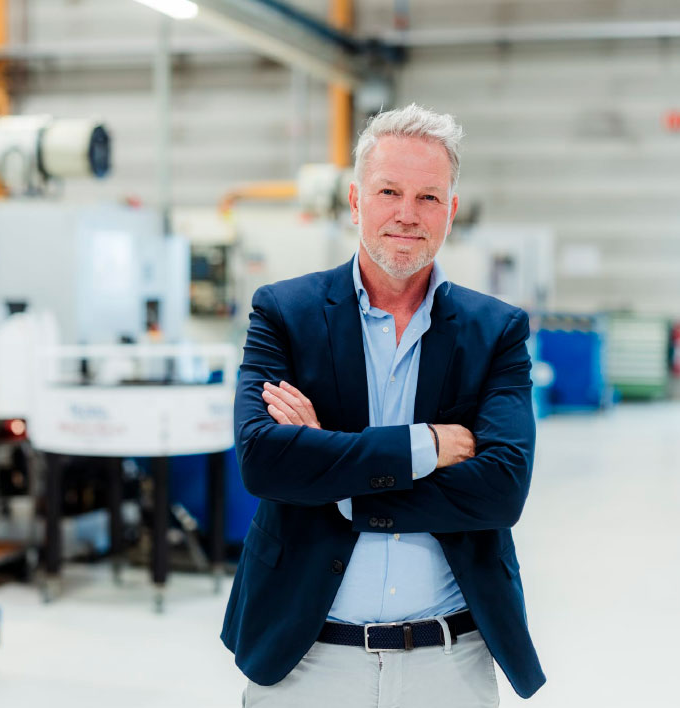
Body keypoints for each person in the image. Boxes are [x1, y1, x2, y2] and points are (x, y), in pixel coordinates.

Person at [222, 104, 544, 707]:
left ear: (450, 211)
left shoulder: (495, 331)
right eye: (389, 191)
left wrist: (333, 475)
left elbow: (502, 489)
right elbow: (264, 462)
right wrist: (426, 446)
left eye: (428, 197)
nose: (406, 213)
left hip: (449, 661)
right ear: (355, 200)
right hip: (307, 655)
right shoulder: (284, 313)